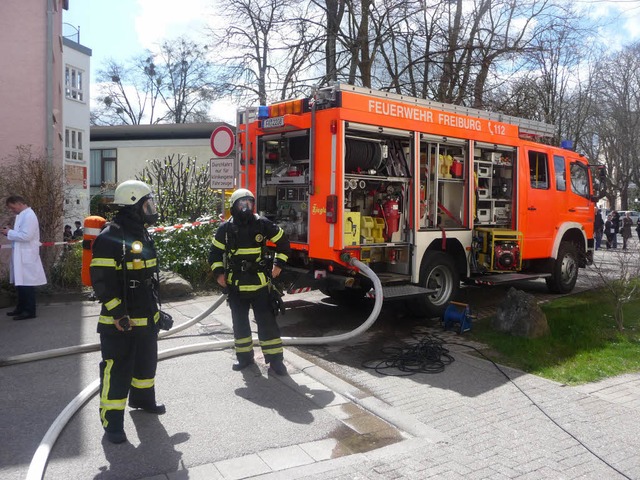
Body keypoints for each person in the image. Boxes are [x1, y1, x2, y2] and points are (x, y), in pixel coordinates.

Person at [90, 180, 168, 444]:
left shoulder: (143, 234)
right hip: (119, 322)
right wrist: (118, 314)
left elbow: (150, 280)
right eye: (147, 204)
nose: (151, 209)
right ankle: (112, 423)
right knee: (118, 370)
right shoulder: (110, 237)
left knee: (146, 364)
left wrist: (159, 314)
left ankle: (143, 400)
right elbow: (101, 281)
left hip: (146, 317)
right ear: (133, 205)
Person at [209, 188, 290, 376]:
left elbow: (283, 242)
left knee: (267, 323)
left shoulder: (262, 224)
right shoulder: (226, 229)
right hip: (236, 286)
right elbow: (214, 254)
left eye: (249, 203)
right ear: (234, 207)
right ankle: (244, 358)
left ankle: (276, 361)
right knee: (240, 324)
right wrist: (219, 274)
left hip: (260, 285)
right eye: (241, 204)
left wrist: (279, 264)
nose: (246, 208)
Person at [1, 195, 47, 320]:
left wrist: (9, 232)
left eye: (12, 207)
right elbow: (21, 234)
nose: (12, 210)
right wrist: (10, 231)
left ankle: (29, 311)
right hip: (21, 255)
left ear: (19, 203)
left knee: (26, 284)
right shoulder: (22, 216)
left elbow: (26, 236)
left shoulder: (29, 216)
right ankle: (21, 308)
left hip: (27, 255)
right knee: (20, 283)